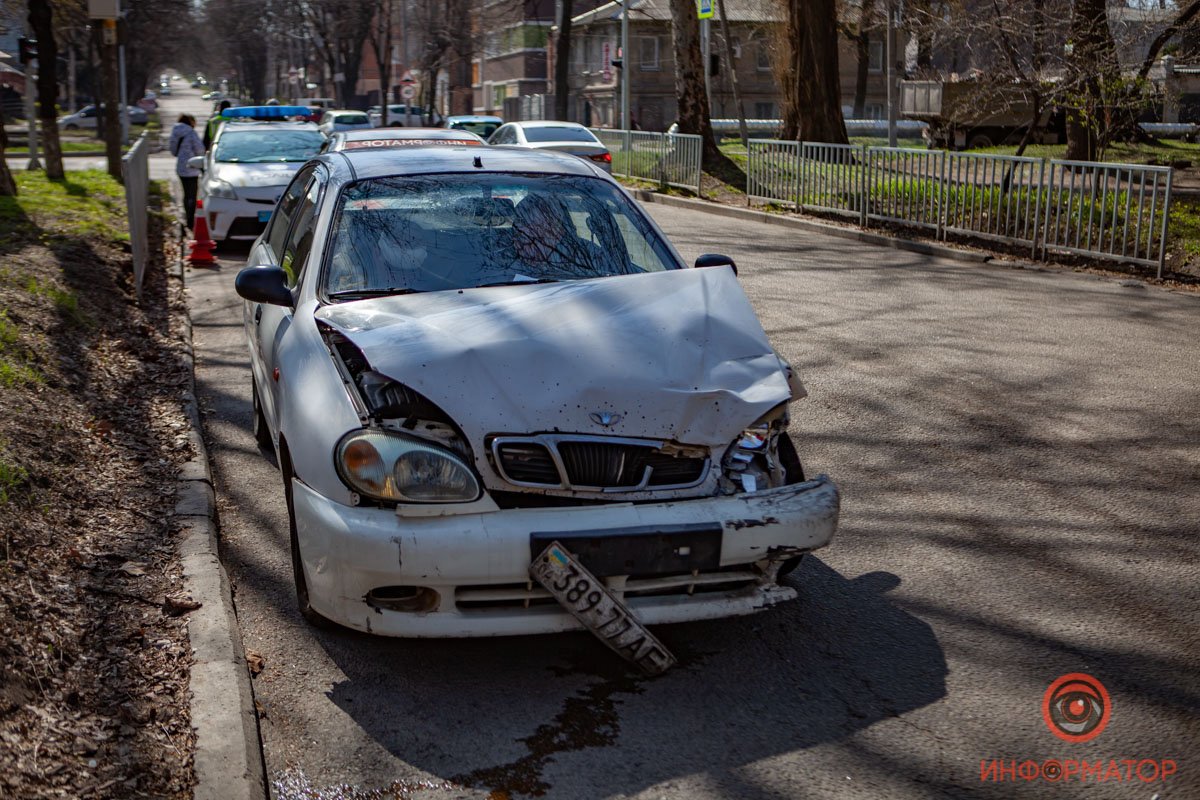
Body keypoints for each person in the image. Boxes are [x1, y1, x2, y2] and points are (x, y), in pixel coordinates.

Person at [169, 114, 205, 229]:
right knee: (193, 195)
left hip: (181, 167)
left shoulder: (175, 131)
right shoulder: (191, 133)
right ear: (190, 121)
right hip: (193, 166)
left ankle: (187, 216)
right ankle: (191, 220)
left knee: (186, 194)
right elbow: (200, 149)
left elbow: (173, 151)